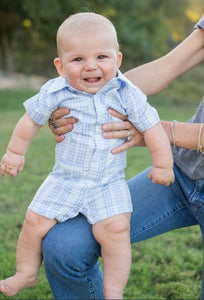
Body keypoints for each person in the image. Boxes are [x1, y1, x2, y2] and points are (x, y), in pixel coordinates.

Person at [0, 12, 174, 299]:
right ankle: (26, 273)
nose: (90, 66)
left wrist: (163, 164)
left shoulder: (127, 93)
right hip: (65, 179)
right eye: (78, 59)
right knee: (33, 222)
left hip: (108, 183)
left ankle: (114, 290)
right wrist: (15, 153)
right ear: (60, 65)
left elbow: (152, 127)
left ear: (117, 60)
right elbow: (30, 120)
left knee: (116, 232)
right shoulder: (55, 91)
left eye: (101, 57)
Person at [42, 15, 204, 299]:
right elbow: (168, 65)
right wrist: (74, 98)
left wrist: (156, 129)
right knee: (64, 246)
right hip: (181, 174)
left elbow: (155, 129)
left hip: (172, 160)